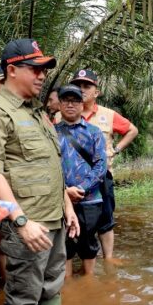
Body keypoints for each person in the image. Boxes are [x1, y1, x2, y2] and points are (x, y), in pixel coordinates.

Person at [0, 38, 79, 305]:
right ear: (12, 70)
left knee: (51, 285)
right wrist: (21, 221)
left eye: (44, 69)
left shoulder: (38, 113)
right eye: (35, 69)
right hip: (28, 223)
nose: (42, 75)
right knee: (22, 295)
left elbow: (50, 166)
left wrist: (68, 209)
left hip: (55, 219)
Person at [70, 68, 138, 259]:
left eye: (86, 86)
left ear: (96, 92)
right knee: (75, 218)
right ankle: (78, 259)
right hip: (72, 181)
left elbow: (132, 130)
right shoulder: (62, 114)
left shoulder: (108, 115)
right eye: (77, 86)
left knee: (105, 219)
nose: (81, 90)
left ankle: (108, 259)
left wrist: (115, 150)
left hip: (102, 177)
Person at [55, 85, 107, 276]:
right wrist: (65, 191)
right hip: (60, 198)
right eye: (66, 100)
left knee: (88, 242)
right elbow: (47, 166)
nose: (70, 104)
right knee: (64, 244)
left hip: (90, 198)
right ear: (59, 104)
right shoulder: (50, 132)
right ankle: (67, 283)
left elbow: (101, 166)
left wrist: (81, 188)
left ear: (81, 104)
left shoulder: (94, 132)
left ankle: (89, 283)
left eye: (75, 100)